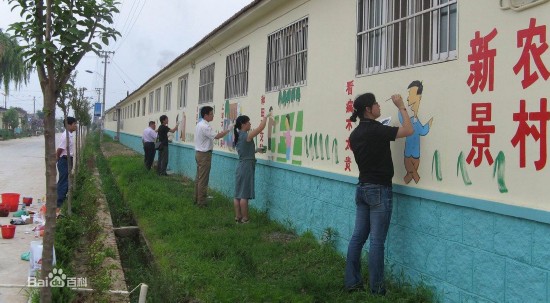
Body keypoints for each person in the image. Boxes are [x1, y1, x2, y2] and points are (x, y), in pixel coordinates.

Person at [344, 92, 413, 295]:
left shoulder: (355, 134)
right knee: (376, 242)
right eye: (376, 104)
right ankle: (377, 290)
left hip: (362, 188)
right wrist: (401, 106)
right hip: (379, 190)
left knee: (357, 237)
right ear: (368, 109)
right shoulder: (377, 130)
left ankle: (352, 283)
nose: (378, 107)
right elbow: (408, 130)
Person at [233, 114, 269, 223]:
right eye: (248, 122)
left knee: (238, 194)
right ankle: (245, 218)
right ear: (243, 124)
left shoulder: (238, 135)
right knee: (244, 194)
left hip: (241, 165)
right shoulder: (246, 135)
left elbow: (245, 151)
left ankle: (238, 217)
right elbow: (260, 128)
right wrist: (267, 116)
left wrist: (256, 150)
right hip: (246, 167)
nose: (250, 124)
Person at [194, 106, 232, 207]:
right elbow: (217, 136)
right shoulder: (205, 126)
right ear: (206, 115)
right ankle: (201, 202)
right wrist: (228, 129)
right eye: (211, 114)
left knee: (199, 178)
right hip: (204, 155)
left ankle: (197, 198)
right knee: (203, 179)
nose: (213, 116)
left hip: (199, 153)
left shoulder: (199, 124)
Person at [398, 80, 433, 184]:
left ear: (419, 97)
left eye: (410, 94)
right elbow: (402, 120)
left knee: (411, 176)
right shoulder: (409, 119)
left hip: (416, 155)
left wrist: (430, 122)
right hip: (408, 154)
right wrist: (400, 106)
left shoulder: (417, 121)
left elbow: (423, 131)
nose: (408, 97)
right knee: (413, 176)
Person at [56, 116, 78, 214]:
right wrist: (57, 159)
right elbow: (60, 149)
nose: (76, 126)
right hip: (64, 160)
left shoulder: (70, 134)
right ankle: (59, 204)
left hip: (67, 159)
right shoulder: (66, 136)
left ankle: (60, 201)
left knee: (65, 181)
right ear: (68, 125)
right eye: (74, 124)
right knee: (64, 182)